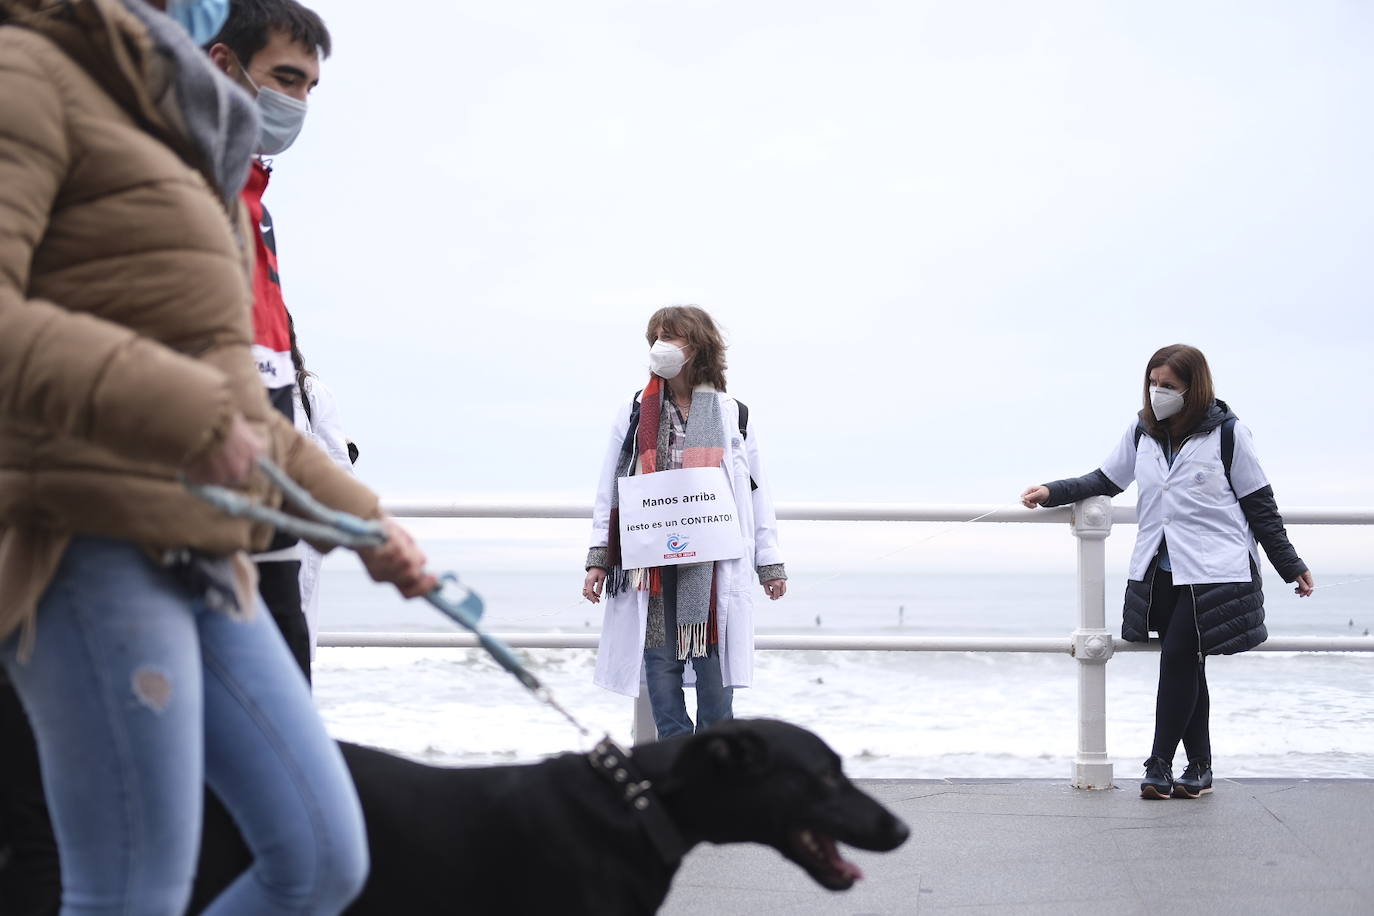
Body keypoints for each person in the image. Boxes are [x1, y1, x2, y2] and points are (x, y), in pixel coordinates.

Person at [0, 3, 436, 915]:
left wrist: (360, 521)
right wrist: (187, 408)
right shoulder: (28, 71)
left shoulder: (196, 138)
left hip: (207, 554)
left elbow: (245, 410)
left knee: (319, 859)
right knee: (129, 893)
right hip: (86, 541)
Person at [1020, 344, 1314, 799]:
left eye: (1169, 386)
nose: (1158, 393)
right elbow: (1105, 480)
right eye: (1153, 383)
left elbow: (1260, 505)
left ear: (1193, 389)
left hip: (1217, 570)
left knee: (1178, 655)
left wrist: (1290, 565)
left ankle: (1159, 763)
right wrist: (1052, 490)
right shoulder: (1143, 432)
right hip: (1162, 569)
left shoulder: (1229, 434)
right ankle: (1200, 768)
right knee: (1188, 663)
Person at [582, 306, 787, 738]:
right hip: (651, 554)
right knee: (661, 659)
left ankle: (713, 761)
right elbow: (610, 487)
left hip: (713, 557)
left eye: (672, 336)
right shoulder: (636, 410)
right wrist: (598, 560)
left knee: (713, 661)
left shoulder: (733, 413)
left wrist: (769, 563)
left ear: (698, 346)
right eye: (656, 336)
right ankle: (673, 757)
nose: (662, 346)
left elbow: (757, 494)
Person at [206, 0, 332, 683]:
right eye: (285, 78)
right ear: (223, 64)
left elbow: (268, 385)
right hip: (195, 533)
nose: (298, 102)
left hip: (269, 527)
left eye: (309, 86)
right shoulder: (182, 192)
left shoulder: (257, 209)